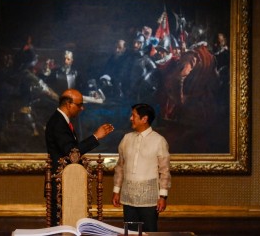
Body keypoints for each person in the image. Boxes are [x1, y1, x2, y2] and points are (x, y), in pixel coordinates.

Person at [45, 88, 114, 226]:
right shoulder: (58, 123)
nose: (82, 108)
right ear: (68, 104)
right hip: (60, 186)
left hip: (67, 184)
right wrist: (96, 137)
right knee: (59, 230)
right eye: (79, 104)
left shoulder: (62, 121)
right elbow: (72, 153)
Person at [112, 103, 171, 232]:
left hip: (150, 199)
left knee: (149, 231)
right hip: (128, 197)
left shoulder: (159, 141)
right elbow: (120, 167)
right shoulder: (126, 139)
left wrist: (163, 197)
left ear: (144, 119)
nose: (130, 118)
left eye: (133, 115)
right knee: (130, 232)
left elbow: (165, 171)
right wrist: (116, 191)